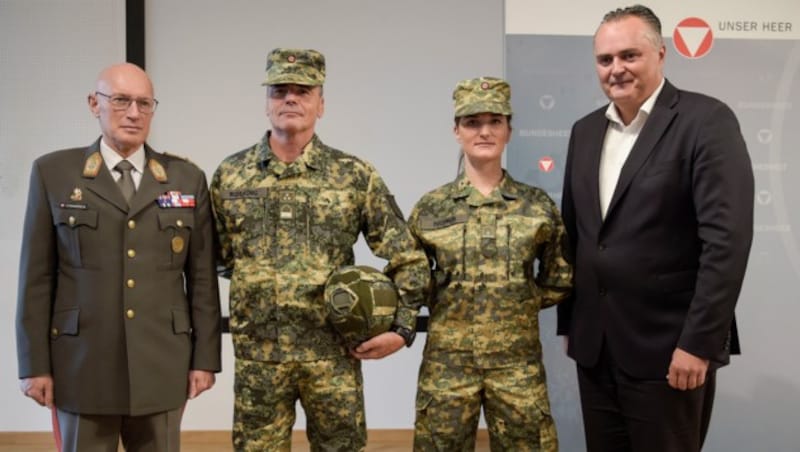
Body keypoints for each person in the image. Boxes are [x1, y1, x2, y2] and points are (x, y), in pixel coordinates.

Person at [210, 48, 430, 451]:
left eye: (303, 90)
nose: (290, 99)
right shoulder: (231, 174)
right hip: (261, 358)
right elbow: (221, 258)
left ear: (321, 104)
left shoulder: (353, 174)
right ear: (266, 103)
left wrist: (401, 328)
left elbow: (407, 255)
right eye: (279, 91)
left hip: (333, 357)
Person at [557, 5, 754, 451]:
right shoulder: (584, 131)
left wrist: (699, 343)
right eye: (605, 60)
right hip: (596, 348)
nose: (616, 69)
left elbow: (727, 243)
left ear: (660, 54)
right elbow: (578, 234)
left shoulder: (706, 121)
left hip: (670, 351)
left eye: (630, 55)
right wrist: (572, 321)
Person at [15, 62, 222, 452]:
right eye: (121, 100)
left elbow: (201, 279)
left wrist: (205, 359)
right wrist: (34, 365)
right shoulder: (54, 172)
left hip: (161, 362)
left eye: (144, 103)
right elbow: (36, 278)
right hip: (81, 364)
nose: (133, 113)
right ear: (95, 103)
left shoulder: (184, 177)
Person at [408, 76, 573, 451]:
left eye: (494, 121)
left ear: (508, 130)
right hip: (446, 366)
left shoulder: (537, 207)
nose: (484, 131)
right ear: (456, 131)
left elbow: (559, 277)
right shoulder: (431, 208)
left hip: (517, 366)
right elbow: (411, 281)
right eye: (472, 122)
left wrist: (519, 301)